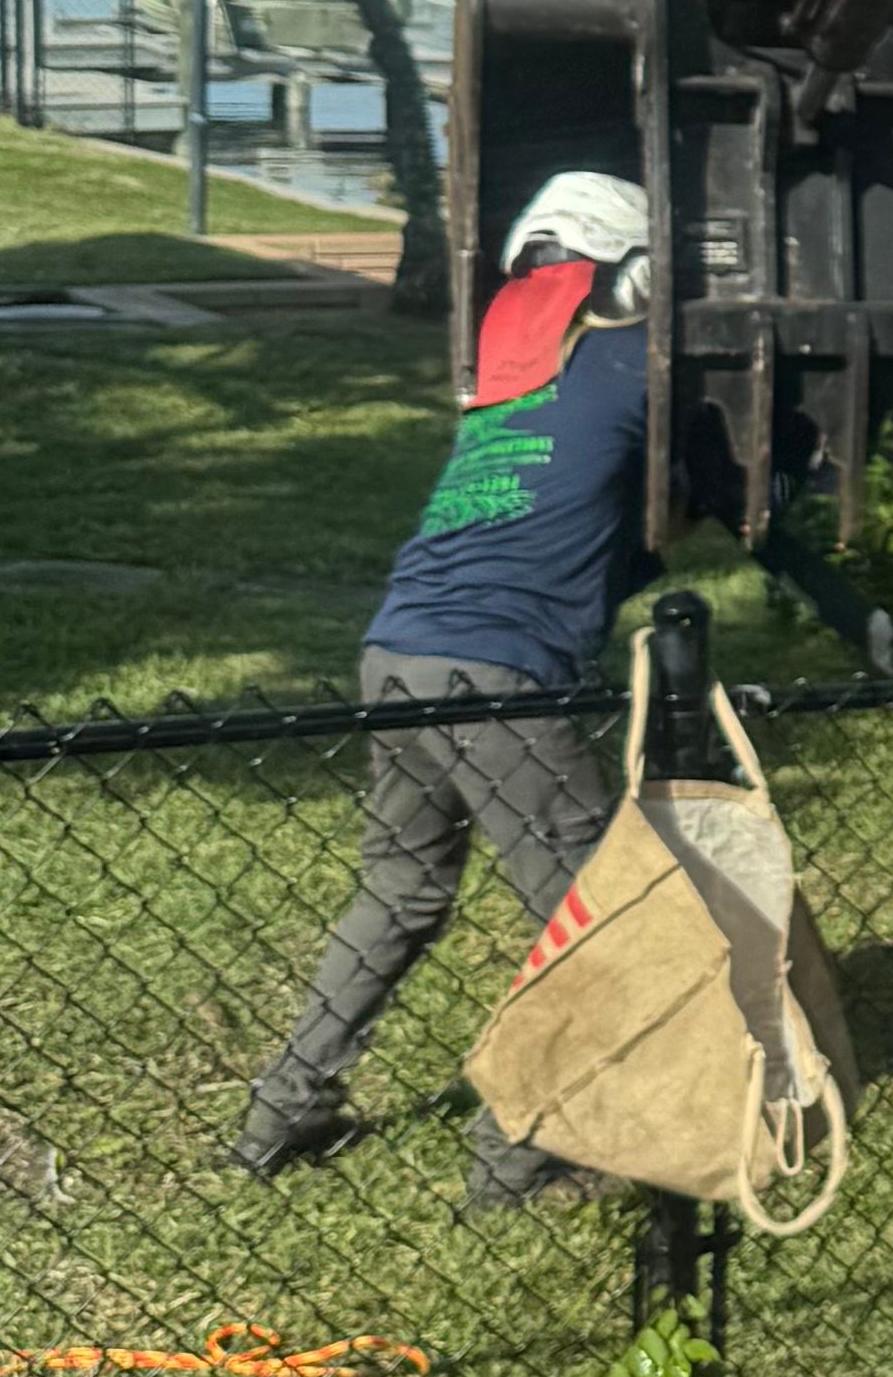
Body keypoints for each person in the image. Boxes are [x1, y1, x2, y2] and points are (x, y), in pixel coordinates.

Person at [239, 166, 678, 1209]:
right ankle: (518, 1161)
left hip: (395, 651)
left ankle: (280, 1118)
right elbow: (720, 479)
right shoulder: (631, 367)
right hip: (497, 676)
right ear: (630, 273)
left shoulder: (506, 383)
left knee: (399, 889)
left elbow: (588, 540)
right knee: (593, 916)